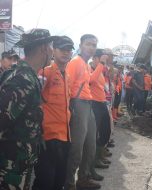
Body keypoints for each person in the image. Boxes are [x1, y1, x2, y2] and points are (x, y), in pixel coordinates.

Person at [0, 28, 54, 189]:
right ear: (44, 48)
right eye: (51, 46)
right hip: (10, 166)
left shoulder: (27, 75)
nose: (52, 51)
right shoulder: (23, 78)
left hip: (19, 161)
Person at [33, 36, 74, 190]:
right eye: (62, 49)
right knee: (45, 180)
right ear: (53, 51)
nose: (66, 52)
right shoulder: (46, 72)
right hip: (48, 137)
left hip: (64, 136)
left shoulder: (67, 77)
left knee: (59, 179)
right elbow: (34, 99)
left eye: (69, 49)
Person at [64, 34, 101, 190]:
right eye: (88, 44)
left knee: (91, 144)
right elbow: (67, 87)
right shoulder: (75, 62)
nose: (91, 47)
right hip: (78, 104)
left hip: (88, 103)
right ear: (81, 45)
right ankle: (69, 184)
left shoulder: (85, 64)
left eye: (94, 45)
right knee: (77, 147)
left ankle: (83, 178)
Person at [90, 49, 111, 176]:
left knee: (106, 131)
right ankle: (92, 164)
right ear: (95, 58)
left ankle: (99, 156)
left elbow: (102, 86)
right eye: (101, 58)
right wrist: (101, 64)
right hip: (93, 104)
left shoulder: (101, 70)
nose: (103, 61)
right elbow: (91, 81)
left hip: (102, 103)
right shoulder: (89, 69)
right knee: (94, 135)